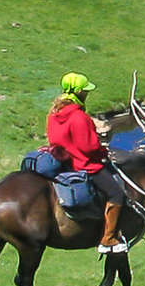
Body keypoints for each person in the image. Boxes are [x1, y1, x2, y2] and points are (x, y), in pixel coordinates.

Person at [46, 72, 130, 253]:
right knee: (116, 194)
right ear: (79, 92)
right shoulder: (79, 117)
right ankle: (108, 239)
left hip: (64, 162)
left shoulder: (54, 113)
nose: (87, 93)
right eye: (85, 90)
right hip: (84, 165)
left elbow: (54, 139)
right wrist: (102, 151)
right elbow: (89, 147)